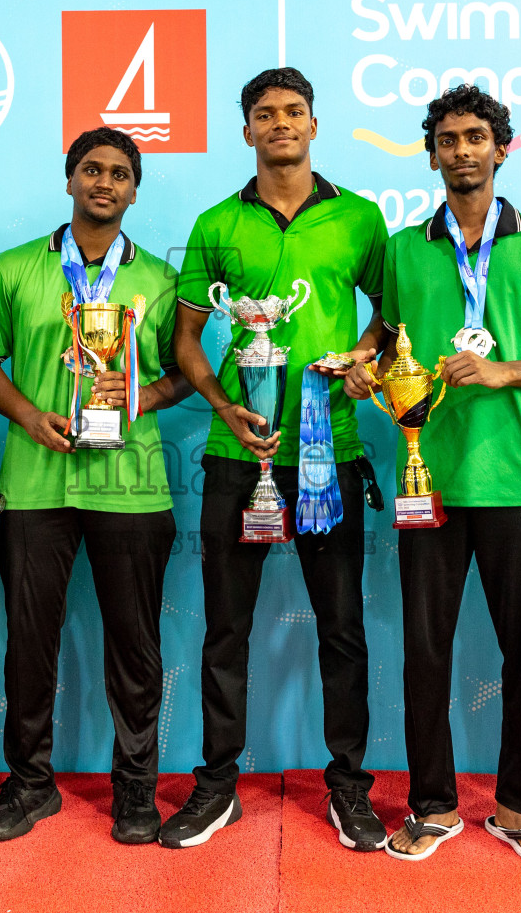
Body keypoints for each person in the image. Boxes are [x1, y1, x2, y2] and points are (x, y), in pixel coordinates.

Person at [347, 85, 521, 863]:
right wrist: (361, 366)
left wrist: (503, 372)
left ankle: (519, 809)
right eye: (448, 139)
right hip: (431, 480)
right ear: (431, 156)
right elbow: (386, 337)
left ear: (502, 148)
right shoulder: (403, 248)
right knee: (426, 653)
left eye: (476, 137)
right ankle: (433, 805)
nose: (462, 150)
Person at [164, 67, 390, 851]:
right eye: (266, 114)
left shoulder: (359, 218)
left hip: (331, 450)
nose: (281, 124)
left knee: (343, 630)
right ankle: (216, 787)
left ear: (314, 125)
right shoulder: (217, 222)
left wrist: (361, 356)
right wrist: (224, 404)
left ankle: (350, 788)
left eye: (294, 112)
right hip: (240, 451)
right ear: (247, 131)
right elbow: (186, 339)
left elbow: (389, 318)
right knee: (225, 631)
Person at [0, 127, 192, 845]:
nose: (105, 183)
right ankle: (30, 784)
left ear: (134, 191)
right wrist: (27, 416)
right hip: (35, 484)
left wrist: (139, 395)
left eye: (119, 174)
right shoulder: (13, 269)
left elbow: (184, 374)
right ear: (69, 179)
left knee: (135, 648)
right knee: (28, 645)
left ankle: (135, 789)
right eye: (92, 170)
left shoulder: (159, 279)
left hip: (131, 486)